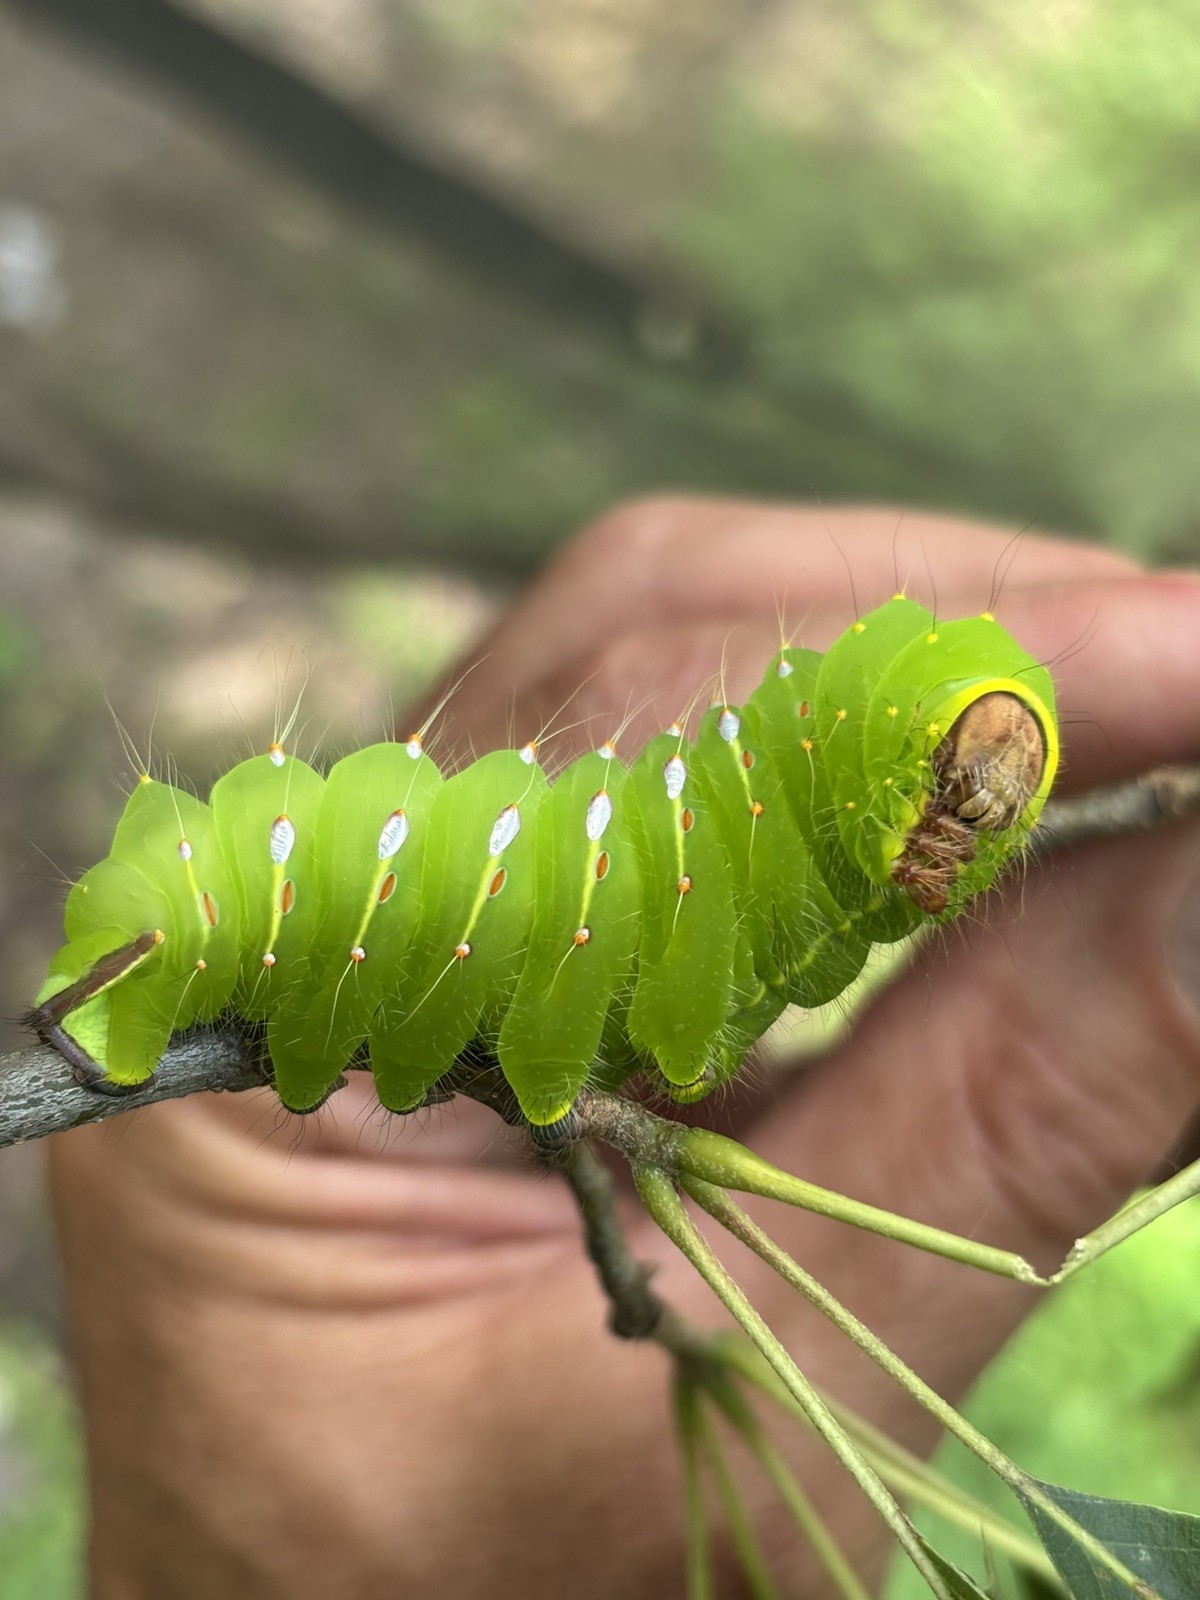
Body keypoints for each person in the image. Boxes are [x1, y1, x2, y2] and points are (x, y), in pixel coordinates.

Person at [49, 500, 1200, 1598]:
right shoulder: (704, 865)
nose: (952, 834)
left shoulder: (756, 864)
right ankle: (165, 942)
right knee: (529, 902)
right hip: (214, 902)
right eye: (950, 791)